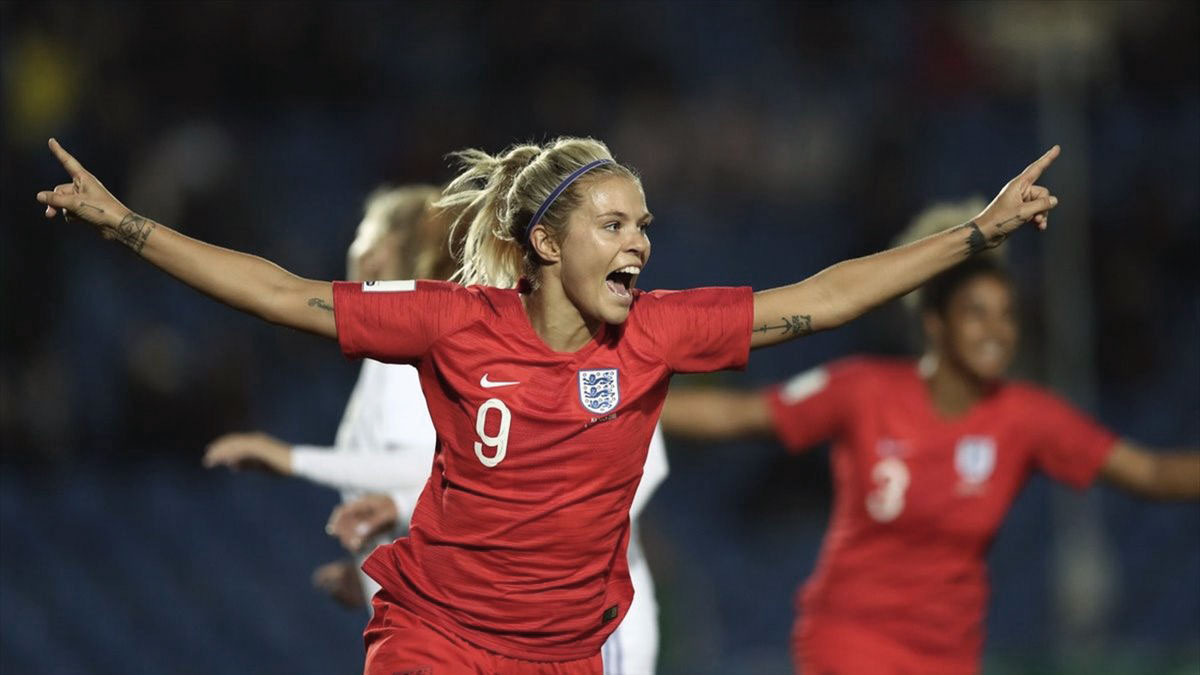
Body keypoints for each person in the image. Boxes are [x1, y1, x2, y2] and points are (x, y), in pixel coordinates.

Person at [37, 135, 1060, 673]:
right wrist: (128, 226)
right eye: (613, 222)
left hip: (569, 657)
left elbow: (825, 296)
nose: (639, 243)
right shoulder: (450, 322)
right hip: (434, 637)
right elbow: (280, 293)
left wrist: (976, 234)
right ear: (543, 241)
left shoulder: (660, 334)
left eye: (645, 224)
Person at [659, 198, 1200, 674]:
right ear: (936, 325)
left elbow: (1149, 472)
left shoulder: (1026, 418)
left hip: (948, 654)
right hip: (851, 641)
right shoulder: (864, 389)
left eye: (1007, 315)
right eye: (976, 314)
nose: (996, 330)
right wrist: (617, 398)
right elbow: (742, 415)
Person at [202, 184, 443, 610]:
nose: (355, 248)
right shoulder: (402, 341)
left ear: (381, 251)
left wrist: (292, 459)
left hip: (443, 632)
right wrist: (370, 572)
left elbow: (431, 473)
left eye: (363, 233)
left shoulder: (405, 352)